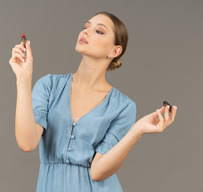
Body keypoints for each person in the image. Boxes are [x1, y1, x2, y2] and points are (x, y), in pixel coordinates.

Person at [9, 11, 177, 192]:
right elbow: (27, 143)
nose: (86, 32)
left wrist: (137, 130)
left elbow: (98, 172)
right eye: (86, 27)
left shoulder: (123, 107)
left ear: (115, 51)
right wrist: (23, 79)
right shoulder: (49, 86)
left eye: (99, 31)